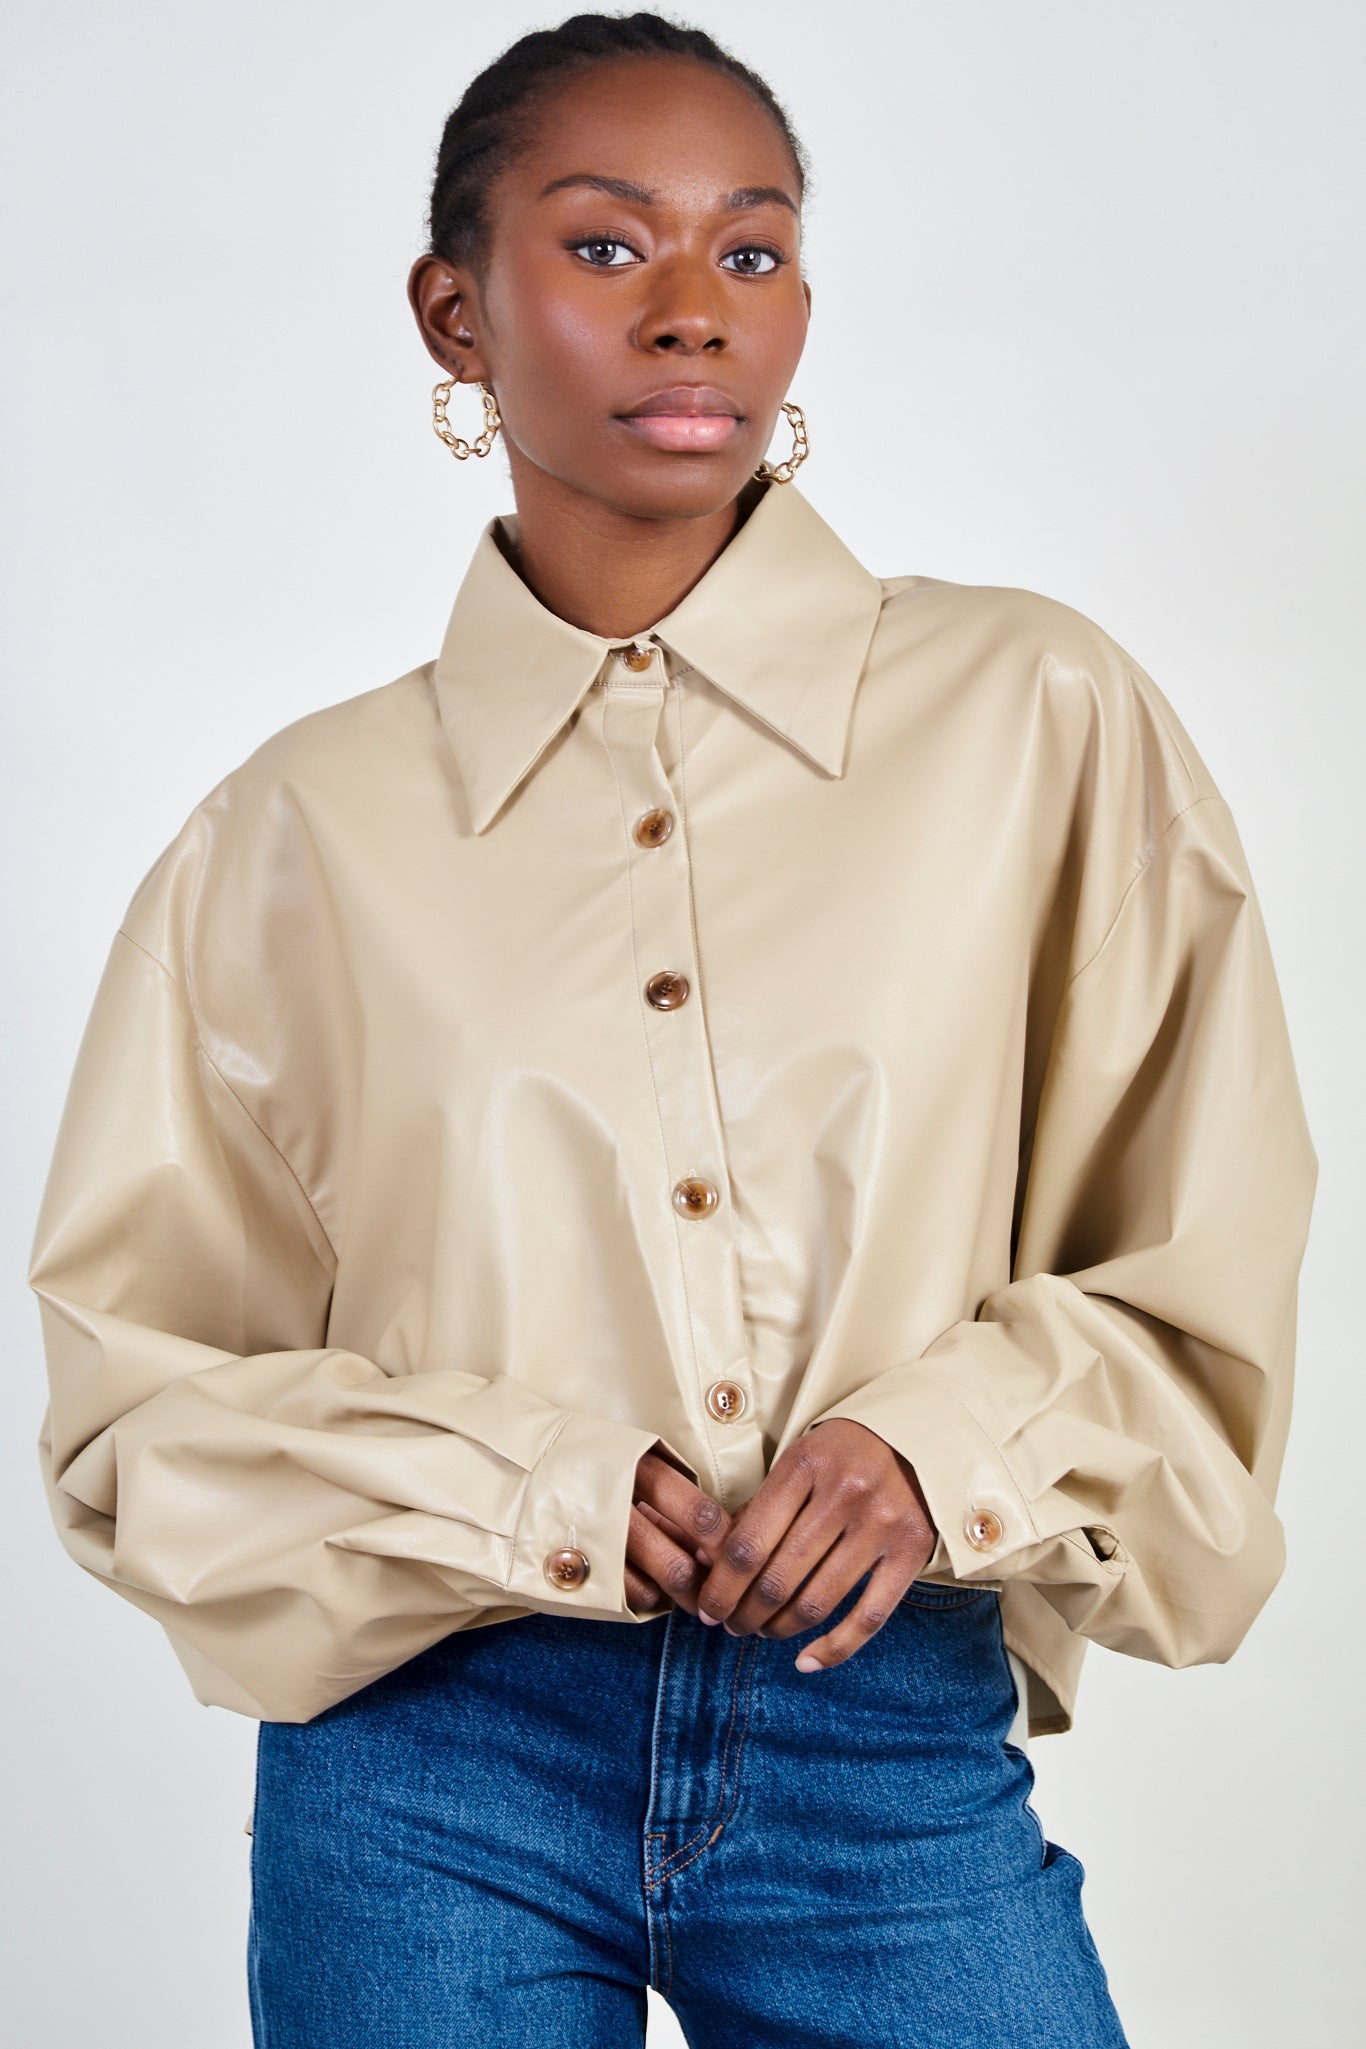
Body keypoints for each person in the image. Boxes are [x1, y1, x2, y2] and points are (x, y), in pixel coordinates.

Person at [28, 11, 1316, 2046]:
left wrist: (936, 1448)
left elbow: (1199, 1251)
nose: (694, 308)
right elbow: (138, 1399)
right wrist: (522, 1483)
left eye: (753, 247)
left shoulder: (1032, 713)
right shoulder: (292, 833)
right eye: (608, 245)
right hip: (428, 1751)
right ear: (455, 313)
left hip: (879, 1738)